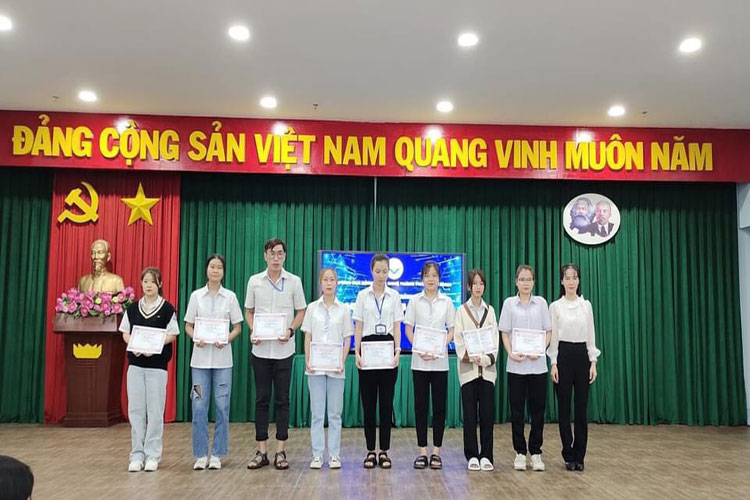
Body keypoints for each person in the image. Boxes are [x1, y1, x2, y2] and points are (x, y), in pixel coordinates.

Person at [245, 238, 307, 470]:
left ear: (285, 256)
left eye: (280, 253)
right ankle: (261, 451)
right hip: (260, 351)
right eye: (272, 253)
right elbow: (249, 311)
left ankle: (281, 451)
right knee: (261, 400)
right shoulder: (254, 281)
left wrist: (290, 330)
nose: (276, 257)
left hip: (284, 351)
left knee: (282, 400)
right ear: (265, 256)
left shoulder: (294, 281)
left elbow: (301, 311)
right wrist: (254, 330)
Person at [184, 254, 244, 471]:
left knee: (222, 406)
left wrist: (226, 339)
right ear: (206, 270)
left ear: (223, 272)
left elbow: (238, 327)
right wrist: (196, 338)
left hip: (223, 362)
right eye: (212, 266)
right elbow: (188, 325)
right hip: (199, 363)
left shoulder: (230, 297)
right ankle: (200, 454)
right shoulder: (196, 296)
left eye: (219, 267)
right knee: (199, 405)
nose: (215, 270)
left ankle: (217, 454)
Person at [120, 267, 180, 472]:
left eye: (152, 282)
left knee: (155, 411)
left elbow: (172, 334)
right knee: (136, 410)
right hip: (136, 366)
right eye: (145, 281)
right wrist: (135, 345)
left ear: (159, 284)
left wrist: (154, 346)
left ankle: (153, 454)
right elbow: (125, 332)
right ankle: (137, 455)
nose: (148, 285)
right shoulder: (132, 308)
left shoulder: (167, 309)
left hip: (157, 368)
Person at [498, 265, 551, 472]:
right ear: (516, 282)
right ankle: (520, 452)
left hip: (538, 367)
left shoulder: (542, 304)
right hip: (516, 367)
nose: (525, 283)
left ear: (534, 282)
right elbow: (504, 333)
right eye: (522, 279)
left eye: (529, 279)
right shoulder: (509, 304)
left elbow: (548, 331)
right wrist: (511, 353)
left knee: (538, 412)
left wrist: (541, 348)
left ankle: (536, 452)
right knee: (517, 412)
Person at [548, 263, 600, 472]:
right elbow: (554, 338)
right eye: (567, 278)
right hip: (563, 356)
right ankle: (568, 453)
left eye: (574, 277)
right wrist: (553, 363)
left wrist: (593, 362)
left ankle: (580, 455)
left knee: (581, 409)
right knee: (563, 409)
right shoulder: (555, 306)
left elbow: (591, 335)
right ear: (562, 281)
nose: (571, 281)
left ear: (579, 280)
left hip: (582, 356)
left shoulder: (586, 305)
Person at [353, 253, 403, 469]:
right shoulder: (362, 296)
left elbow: (397, 326)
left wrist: (398, 351)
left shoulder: (395, 296)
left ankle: (384, 451)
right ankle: (370, 451)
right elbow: (358, 326)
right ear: (371, 271)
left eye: (385, 271)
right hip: (368, 349)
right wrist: (356, 352)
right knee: (369, 404)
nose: (381, 275)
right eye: (378, 271)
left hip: (388, 350)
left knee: (386, 404)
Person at [404, 261, 454, 470]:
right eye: (427, 275)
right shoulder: (414, 301)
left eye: (434, 275)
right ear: (422, 279)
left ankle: (437, 452)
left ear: (439, 279)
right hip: (420, 362)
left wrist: (440, 346)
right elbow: (408, 329)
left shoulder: (447, 302)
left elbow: (452, 330)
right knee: (421, 407)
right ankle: (422, 451)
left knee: (439, 408)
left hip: (440, 363)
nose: (431, 279)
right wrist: (419, 347)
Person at [302, 268, 352, 470]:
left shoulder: (344, 309)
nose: (329, 283)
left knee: (334, 415)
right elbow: (308, 336)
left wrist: (342, 361)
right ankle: (317, 455)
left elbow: (347, 339)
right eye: (326, 279)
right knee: (317, 414)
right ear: (320, 283)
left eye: (332, 280)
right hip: (315, 369)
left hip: (336, 369)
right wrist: (308, 359)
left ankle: (334, 455)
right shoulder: (312, 308)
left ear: (337, 283)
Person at [453, 269, 499, 471]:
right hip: (468, 371)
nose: (478, 287)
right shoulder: (461, 311)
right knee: (470, 415)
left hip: (487, 372)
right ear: (468, 286)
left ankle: (486, 455)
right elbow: (458, 339)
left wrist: (487, 358)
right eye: (475, 283)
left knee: (487, 415)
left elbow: (494, 338)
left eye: (481, 283)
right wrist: (471, 357)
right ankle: (472, 455)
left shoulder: (491, 311)